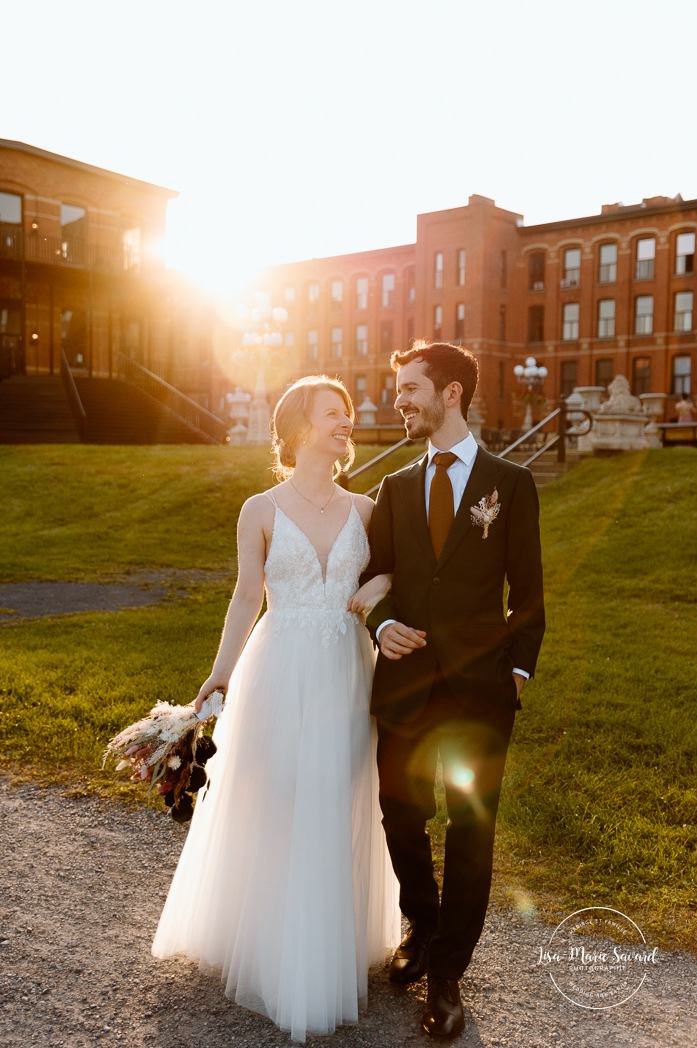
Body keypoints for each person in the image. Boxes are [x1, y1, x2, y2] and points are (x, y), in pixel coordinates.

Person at [152, 375, 400, 1043]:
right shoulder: (259, 509)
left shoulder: (369, 508)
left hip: (347, 670)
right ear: (297, 428)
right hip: (279, 666)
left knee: (338, 795)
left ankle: (328, 941)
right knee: (281, 794)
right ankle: (273, 941)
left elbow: (396, 572)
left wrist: (374, 584)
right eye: (333, 413)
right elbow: (244, 598)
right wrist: (217, 675)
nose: (346, 421)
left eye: (348, 414)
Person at [362, 341, 545, 1039]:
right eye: (396, 389)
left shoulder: (511, 483)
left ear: (451, 395)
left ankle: (445, 974)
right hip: (404, 687)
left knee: (471, 830)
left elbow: (527, 595)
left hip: (480, 693)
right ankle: (423, 923)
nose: (397, 400)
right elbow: (376, 575)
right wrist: (381, 627)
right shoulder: (396, 487)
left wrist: (517, 672)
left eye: (408, 388)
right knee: (400, 816)